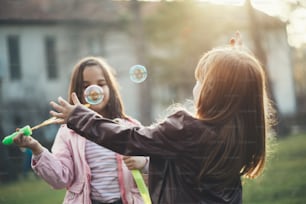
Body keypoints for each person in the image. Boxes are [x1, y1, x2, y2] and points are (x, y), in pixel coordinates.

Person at [49, 36, 276, 203]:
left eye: (200, 81)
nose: (195, 85)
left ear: (212, 90)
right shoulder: (240, 136)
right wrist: (236, 65)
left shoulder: (185, 129)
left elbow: (128, 138)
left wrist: (79, 117)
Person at [13, 57, 148, 204]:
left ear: (111, 87)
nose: (95, 90)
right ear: (76, 93)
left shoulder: (130, 127)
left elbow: (158, 167)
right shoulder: (68, 133)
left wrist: (144, 163)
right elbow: (60, 179)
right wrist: (37, 149)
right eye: (86, 86)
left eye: (101, 84)